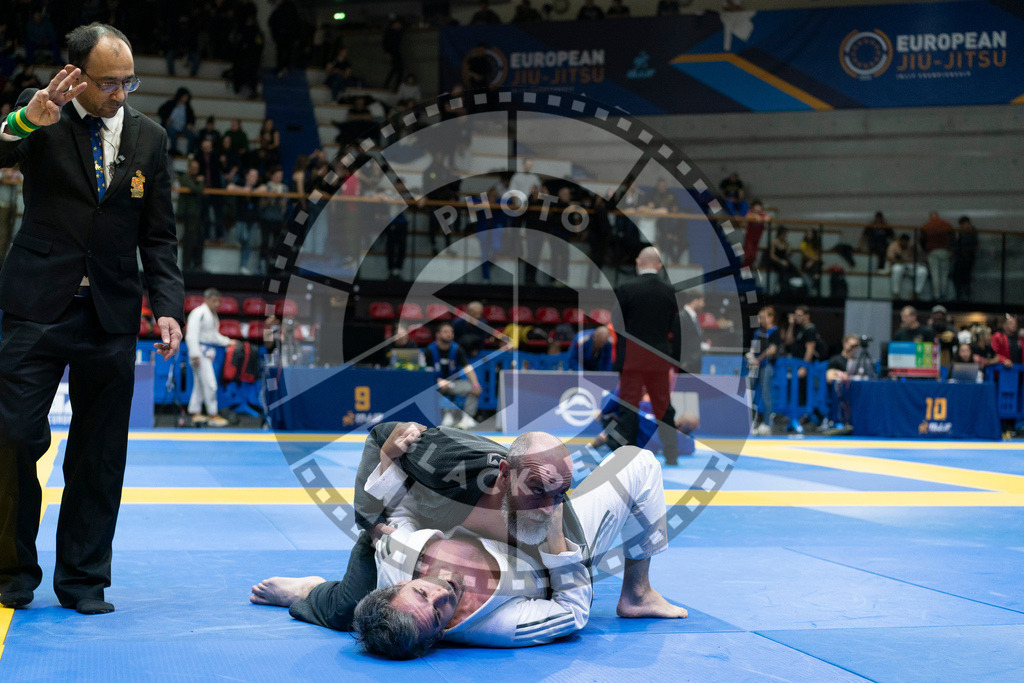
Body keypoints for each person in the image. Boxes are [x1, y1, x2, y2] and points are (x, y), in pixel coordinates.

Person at [0, 24, 184, 615]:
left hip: (110, 311)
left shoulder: (149, 137)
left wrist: (169, 308)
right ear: (75, 76)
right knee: (10, 437)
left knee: (101, 453)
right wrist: (27, 120)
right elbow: (2, 148)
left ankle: (82, 580)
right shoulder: (42, 118)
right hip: (35, 307)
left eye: (128, 80)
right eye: (108, 82)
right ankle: (10, 572)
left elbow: (159, 235)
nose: (120, 93)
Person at [252, 424, 684, 657]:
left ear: (399, 584)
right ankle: (637, 595)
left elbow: (391, 497)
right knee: (638, 462)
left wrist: (385, 461)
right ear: (444, 632)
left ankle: (638, 592)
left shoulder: (399, 556)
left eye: (424, 592)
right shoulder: (495, 626)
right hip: (551, 555)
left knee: (346, 604)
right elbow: (573, 612)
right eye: (442, 612)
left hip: (455, 522)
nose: (444, 593)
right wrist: (553, 527)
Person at [614, 247, 682, 464]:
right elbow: (675, 327)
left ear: (638, 262)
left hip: (632, 360)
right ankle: (672, 454)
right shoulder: (669, 292)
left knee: (629, 406)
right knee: (663, 406)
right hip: (659, 358)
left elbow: (617, 324)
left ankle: (626, 456)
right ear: (660, 266)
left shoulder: (625, 288)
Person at [185, 289, 234, 427]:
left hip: (206, 352)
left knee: (200, 385)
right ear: (206, 300)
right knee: (210, 384)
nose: (217, 304)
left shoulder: (212, 315)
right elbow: (191, 335)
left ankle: (196, 413)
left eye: (219, 301)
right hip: (200, 353)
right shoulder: (199, 313)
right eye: (214, 300)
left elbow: (213, 336)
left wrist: (228, 341)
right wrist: (194, 353)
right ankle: (213, 414)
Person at [425, 322, 481, 429]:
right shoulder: (429, 350)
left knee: (472, 389)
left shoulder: (457, 349)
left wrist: (476, 384)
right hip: (434, 384)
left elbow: (467, 368)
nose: (449, 334)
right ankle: (446, 415)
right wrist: (438, 381)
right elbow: (426, 372)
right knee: (429, 390)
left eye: (451, 332)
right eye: (446, 332)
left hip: (453, 383)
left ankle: (467, 418)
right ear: (438, 335)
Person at [748, 306, 780, 435]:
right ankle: (751, 422)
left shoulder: (774, 332)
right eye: (759, 317)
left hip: (767, 367)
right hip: (755, 367)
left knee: (766, 394)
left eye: (763, 317)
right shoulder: (758, 332)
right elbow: (753, 348)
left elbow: (772, 350)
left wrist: (759, 359)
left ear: (771, 317)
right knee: (751, 395)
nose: (760, 320)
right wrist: (751, 357)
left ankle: (767, 423)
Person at [920, 210, 953, 300]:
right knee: (944, 274)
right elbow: (952, 235)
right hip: (944, 250)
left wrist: (925, 249)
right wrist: (951, 248)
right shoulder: (945, 224)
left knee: (935, 274)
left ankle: (936, 295)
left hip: (932, 251)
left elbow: (922, 239)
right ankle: (943, 294)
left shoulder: (927, 225)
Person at [886, 233, 927, 300]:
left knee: (923, 271)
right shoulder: (893, 246)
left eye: (906, 241)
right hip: (898, 264)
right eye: (903, 241)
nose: (904, 243)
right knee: (897, 269)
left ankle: (915, 292)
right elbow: (890, 259)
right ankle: (896, 293)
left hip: (909, 265)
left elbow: (919, 258)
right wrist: (900, 259)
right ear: (900, 241)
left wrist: (914, 251)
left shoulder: (911, 246)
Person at [156, 87, 195, 156]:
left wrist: (190, 124)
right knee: (172, 133)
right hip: (171, 126)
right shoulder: (171, 103)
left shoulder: (187, 107)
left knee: (191, 135)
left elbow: (192, 118)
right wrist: (166, 119)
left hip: (182, 127)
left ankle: (189, 153)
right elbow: (160, 111)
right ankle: (173, 149)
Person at [951, 215, 978, 301]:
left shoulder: (970, 233)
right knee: (960, 280)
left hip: (966, 260)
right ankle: (962, 296)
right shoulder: (964, 233)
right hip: (962, 260)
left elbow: (970, 246)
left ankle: (965, 297)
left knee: (964, 280)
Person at [679, 291, 705, 374]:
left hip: (695, 365)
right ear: (695, 301)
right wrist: (683, 363)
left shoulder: (694, 317)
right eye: (702, 301)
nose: (703, 305)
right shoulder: (682, 317)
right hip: (686, 365)